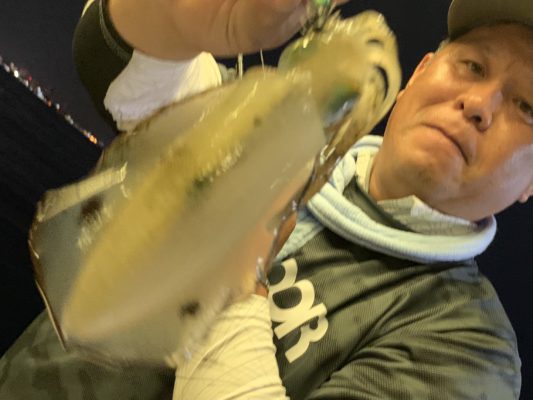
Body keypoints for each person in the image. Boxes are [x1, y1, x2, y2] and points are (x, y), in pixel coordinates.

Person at [0, 0, 530, 398]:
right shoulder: (262, 123)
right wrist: (180, 20)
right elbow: (121, 68)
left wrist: (235, 258)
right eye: (473, 66)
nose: (479, 103)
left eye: (527, 107)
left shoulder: (467, 349)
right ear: (418, 75)